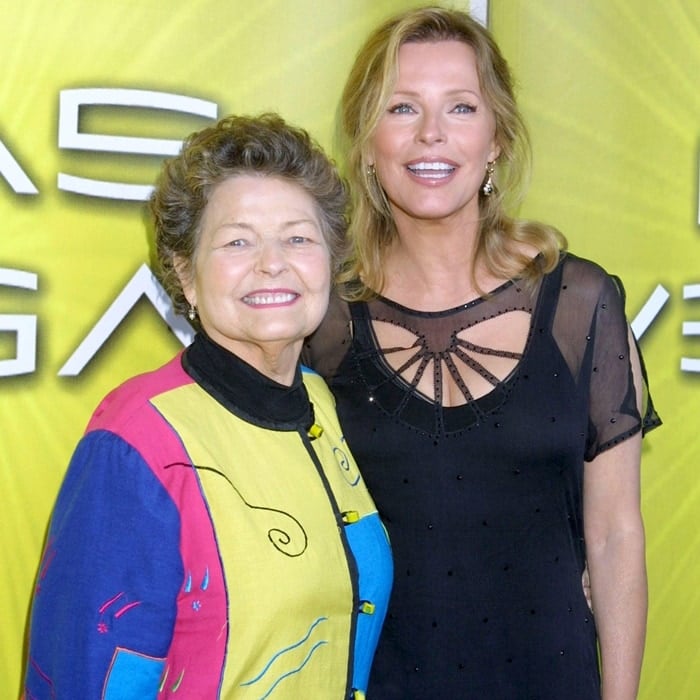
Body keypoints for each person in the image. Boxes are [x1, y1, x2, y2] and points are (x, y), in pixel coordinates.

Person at [303, 6, 661, 699]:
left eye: (461, 107)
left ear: (496, 138)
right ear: (368, 140)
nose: (431, 134)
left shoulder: (581, 303)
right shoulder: (322, 318)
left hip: (548, 676)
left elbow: (616, 537)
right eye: (402, 107)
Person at [23, 114, 392, 699]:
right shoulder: (137, 441)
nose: (273, 262)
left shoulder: (319, 402)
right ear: (185, 274)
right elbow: (83, 677)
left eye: (298, 237)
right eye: (237, 241)